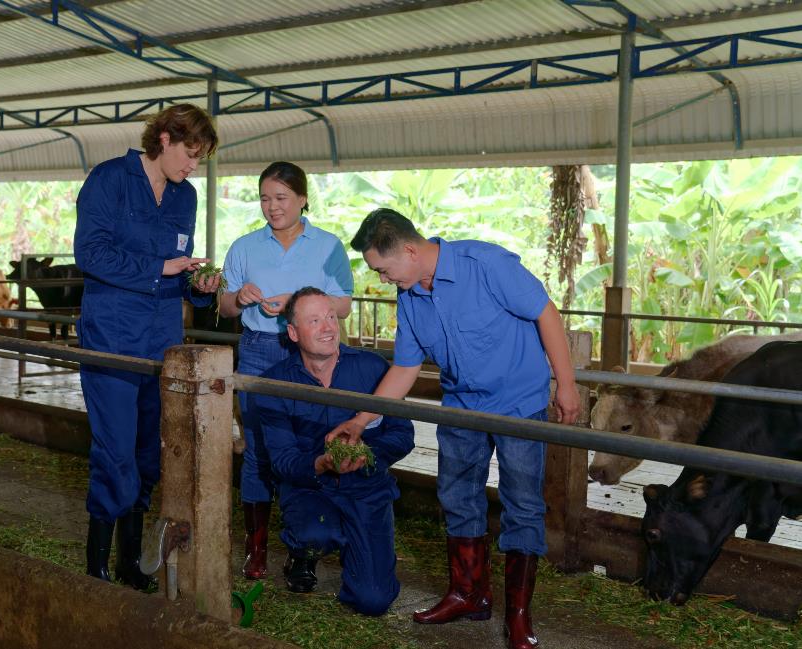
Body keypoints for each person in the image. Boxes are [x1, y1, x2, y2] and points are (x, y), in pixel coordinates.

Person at [327, 208, 580, 648]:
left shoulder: (485, 265)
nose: (383, 279)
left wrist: (567, 384)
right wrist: (360, 419)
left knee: (522, 502)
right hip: (460, 406)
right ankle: (468, 594)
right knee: (457, 496)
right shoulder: (409, 297)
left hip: (517, 403)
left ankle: (519, 615)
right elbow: (405, 368)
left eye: (383, 270)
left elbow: (545, 313)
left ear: (408, 250)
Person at [74, 103, 220, 588]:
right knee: (114, 448)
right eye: (190, 154)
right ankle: (96, 564)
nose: (192, 166)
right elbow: (90, 254)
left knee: (147, 452)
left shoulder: (187, 197)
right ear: (164, 138)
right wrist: (160, 269)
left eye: (199, 159)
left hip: (162, 340)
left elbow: (178, 268)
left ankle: (130, 562)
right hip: (112, 335)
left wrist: (197, 287)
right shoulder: (110, 179)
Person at [218, 161, 354, 580]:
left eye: (280, 198)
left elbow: (344, 304)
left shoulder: (329, 246)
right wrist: (239, 296)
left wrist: (300, 300)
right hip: (260, 350)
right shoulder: (244, 247)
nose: (271, 207)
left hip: (312, 354)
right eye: (264, 198)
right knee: (259, 449)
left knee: (312, 444)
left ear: (302, 199)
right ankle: (256, 546)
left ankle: (304, 547)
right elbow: (223, 308)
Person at [253, 287, 414, 616]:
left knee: (374, 601)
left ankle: (361, 544)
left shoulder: (372, 369)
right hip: (311, 489)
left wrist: (369, 454)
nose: (328, 327)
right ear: (294, 333)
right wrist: (322, 463)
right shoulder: (274, 384)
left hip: (367, 487)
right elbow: (282, 460)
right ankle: (304, 550)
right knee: (315, 531)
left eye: (330, 317)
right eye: (314, 320)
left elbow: (402, 433)